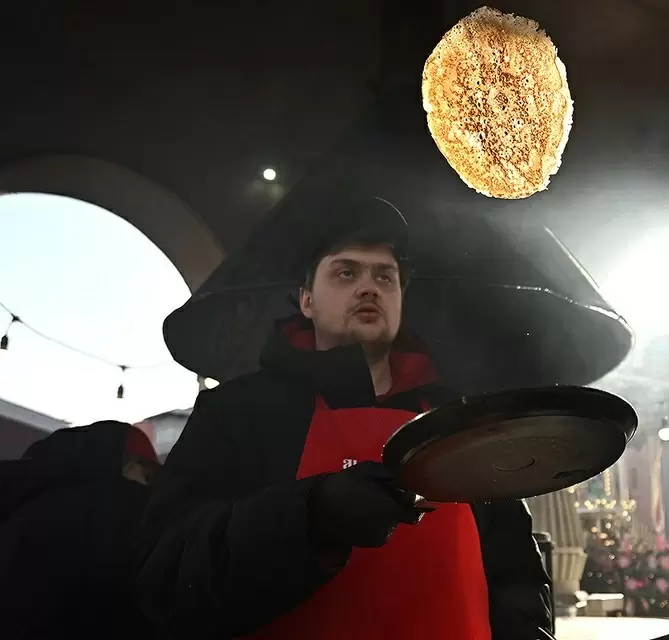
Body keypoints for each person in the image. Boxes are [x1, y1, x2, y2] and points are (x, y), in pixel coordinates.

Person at [136, 195, 554, 639]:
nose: (369, 288)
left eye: (385, 277)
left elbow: (515, 576)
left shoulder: (462, 421)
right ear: (306, 300)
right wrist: (310, 516)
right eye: (346, 273)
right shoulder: (238, 411)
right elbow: (165, 576)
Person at [0, 421, 160, 639]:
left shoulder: (19, 513)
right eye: (148, 477)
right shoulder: (115, 514)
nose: (154, 492)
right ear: (122, 466)